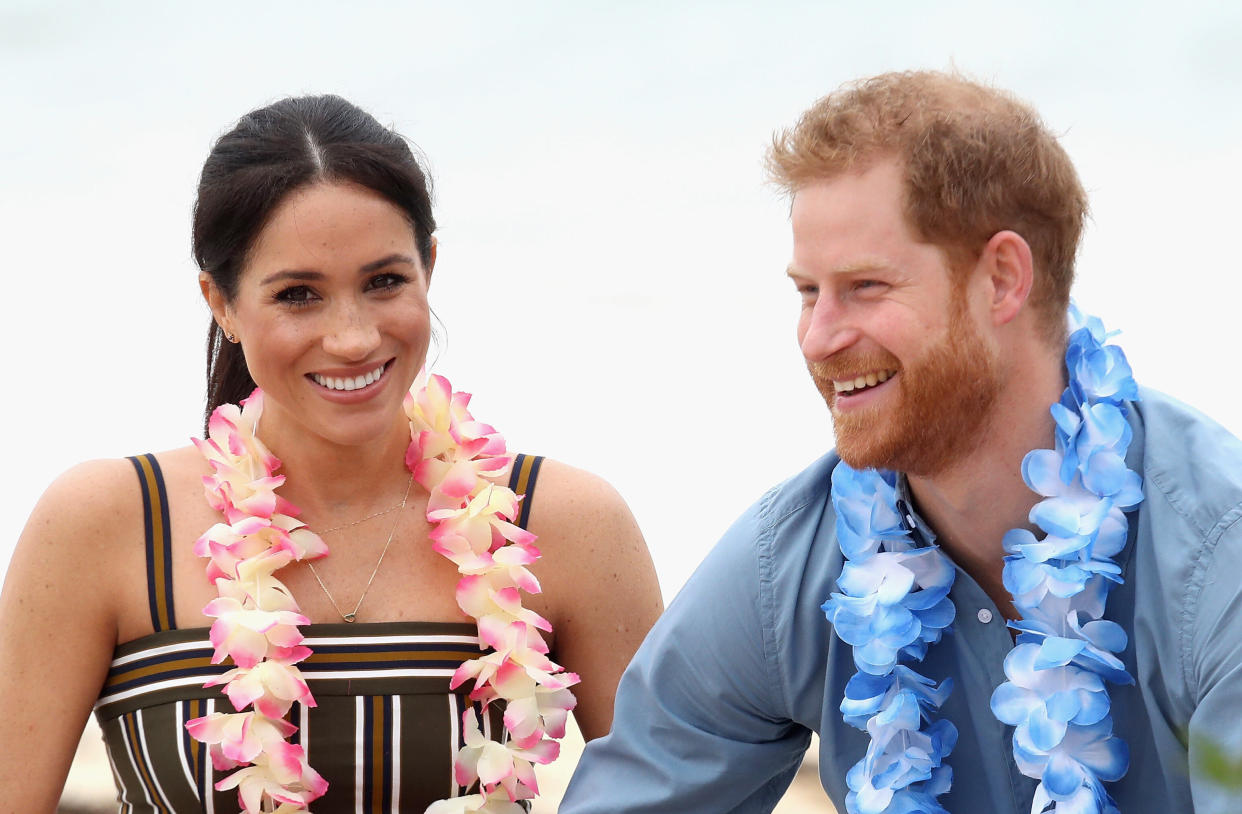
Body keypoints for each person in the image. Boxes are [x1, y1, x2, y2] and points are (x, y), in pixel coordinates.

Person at [560, 71, 1242, 814]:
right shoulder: (787, 564)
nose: (818, 339)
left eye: (865, 287)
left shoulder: (1216, 552)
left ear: (1003, 279)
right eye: (806, 292)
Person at [0, 95, 663, 813]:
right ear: (219, 301)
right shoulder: (106, 523)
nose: (351, 337)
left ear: (429, 267)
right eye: (298, 295)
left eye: (384, 282)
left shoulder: (566, 524)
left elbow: (676, 799)